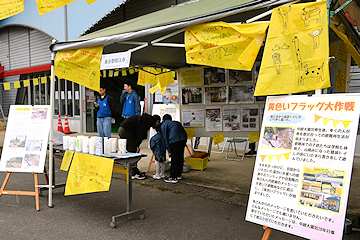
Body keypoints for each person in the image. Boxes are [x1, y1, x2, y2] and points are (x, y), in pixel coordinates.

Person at [118, 113, 161, 180]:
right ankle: (134, 172)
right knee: (133, 151)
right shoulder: (148, 121)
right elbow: (140, 134)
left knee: (131, 151)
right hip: (126, 130)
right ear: (157, 121)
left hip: (122, 129)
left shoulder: (144, 118)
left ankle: (132, 169)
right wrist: (137, 145)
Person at [161, 114, 187, 183]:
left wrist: (168, 150)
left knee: (174, 159)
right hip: (182, 140)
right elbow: (184, 132)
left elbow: (165, 138)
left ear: (163, 120)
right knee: (180, 157)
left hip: (174, 141)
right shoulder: (177, 123)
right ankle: (179, 175)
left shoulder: (164, 125)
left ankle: (173, 177)